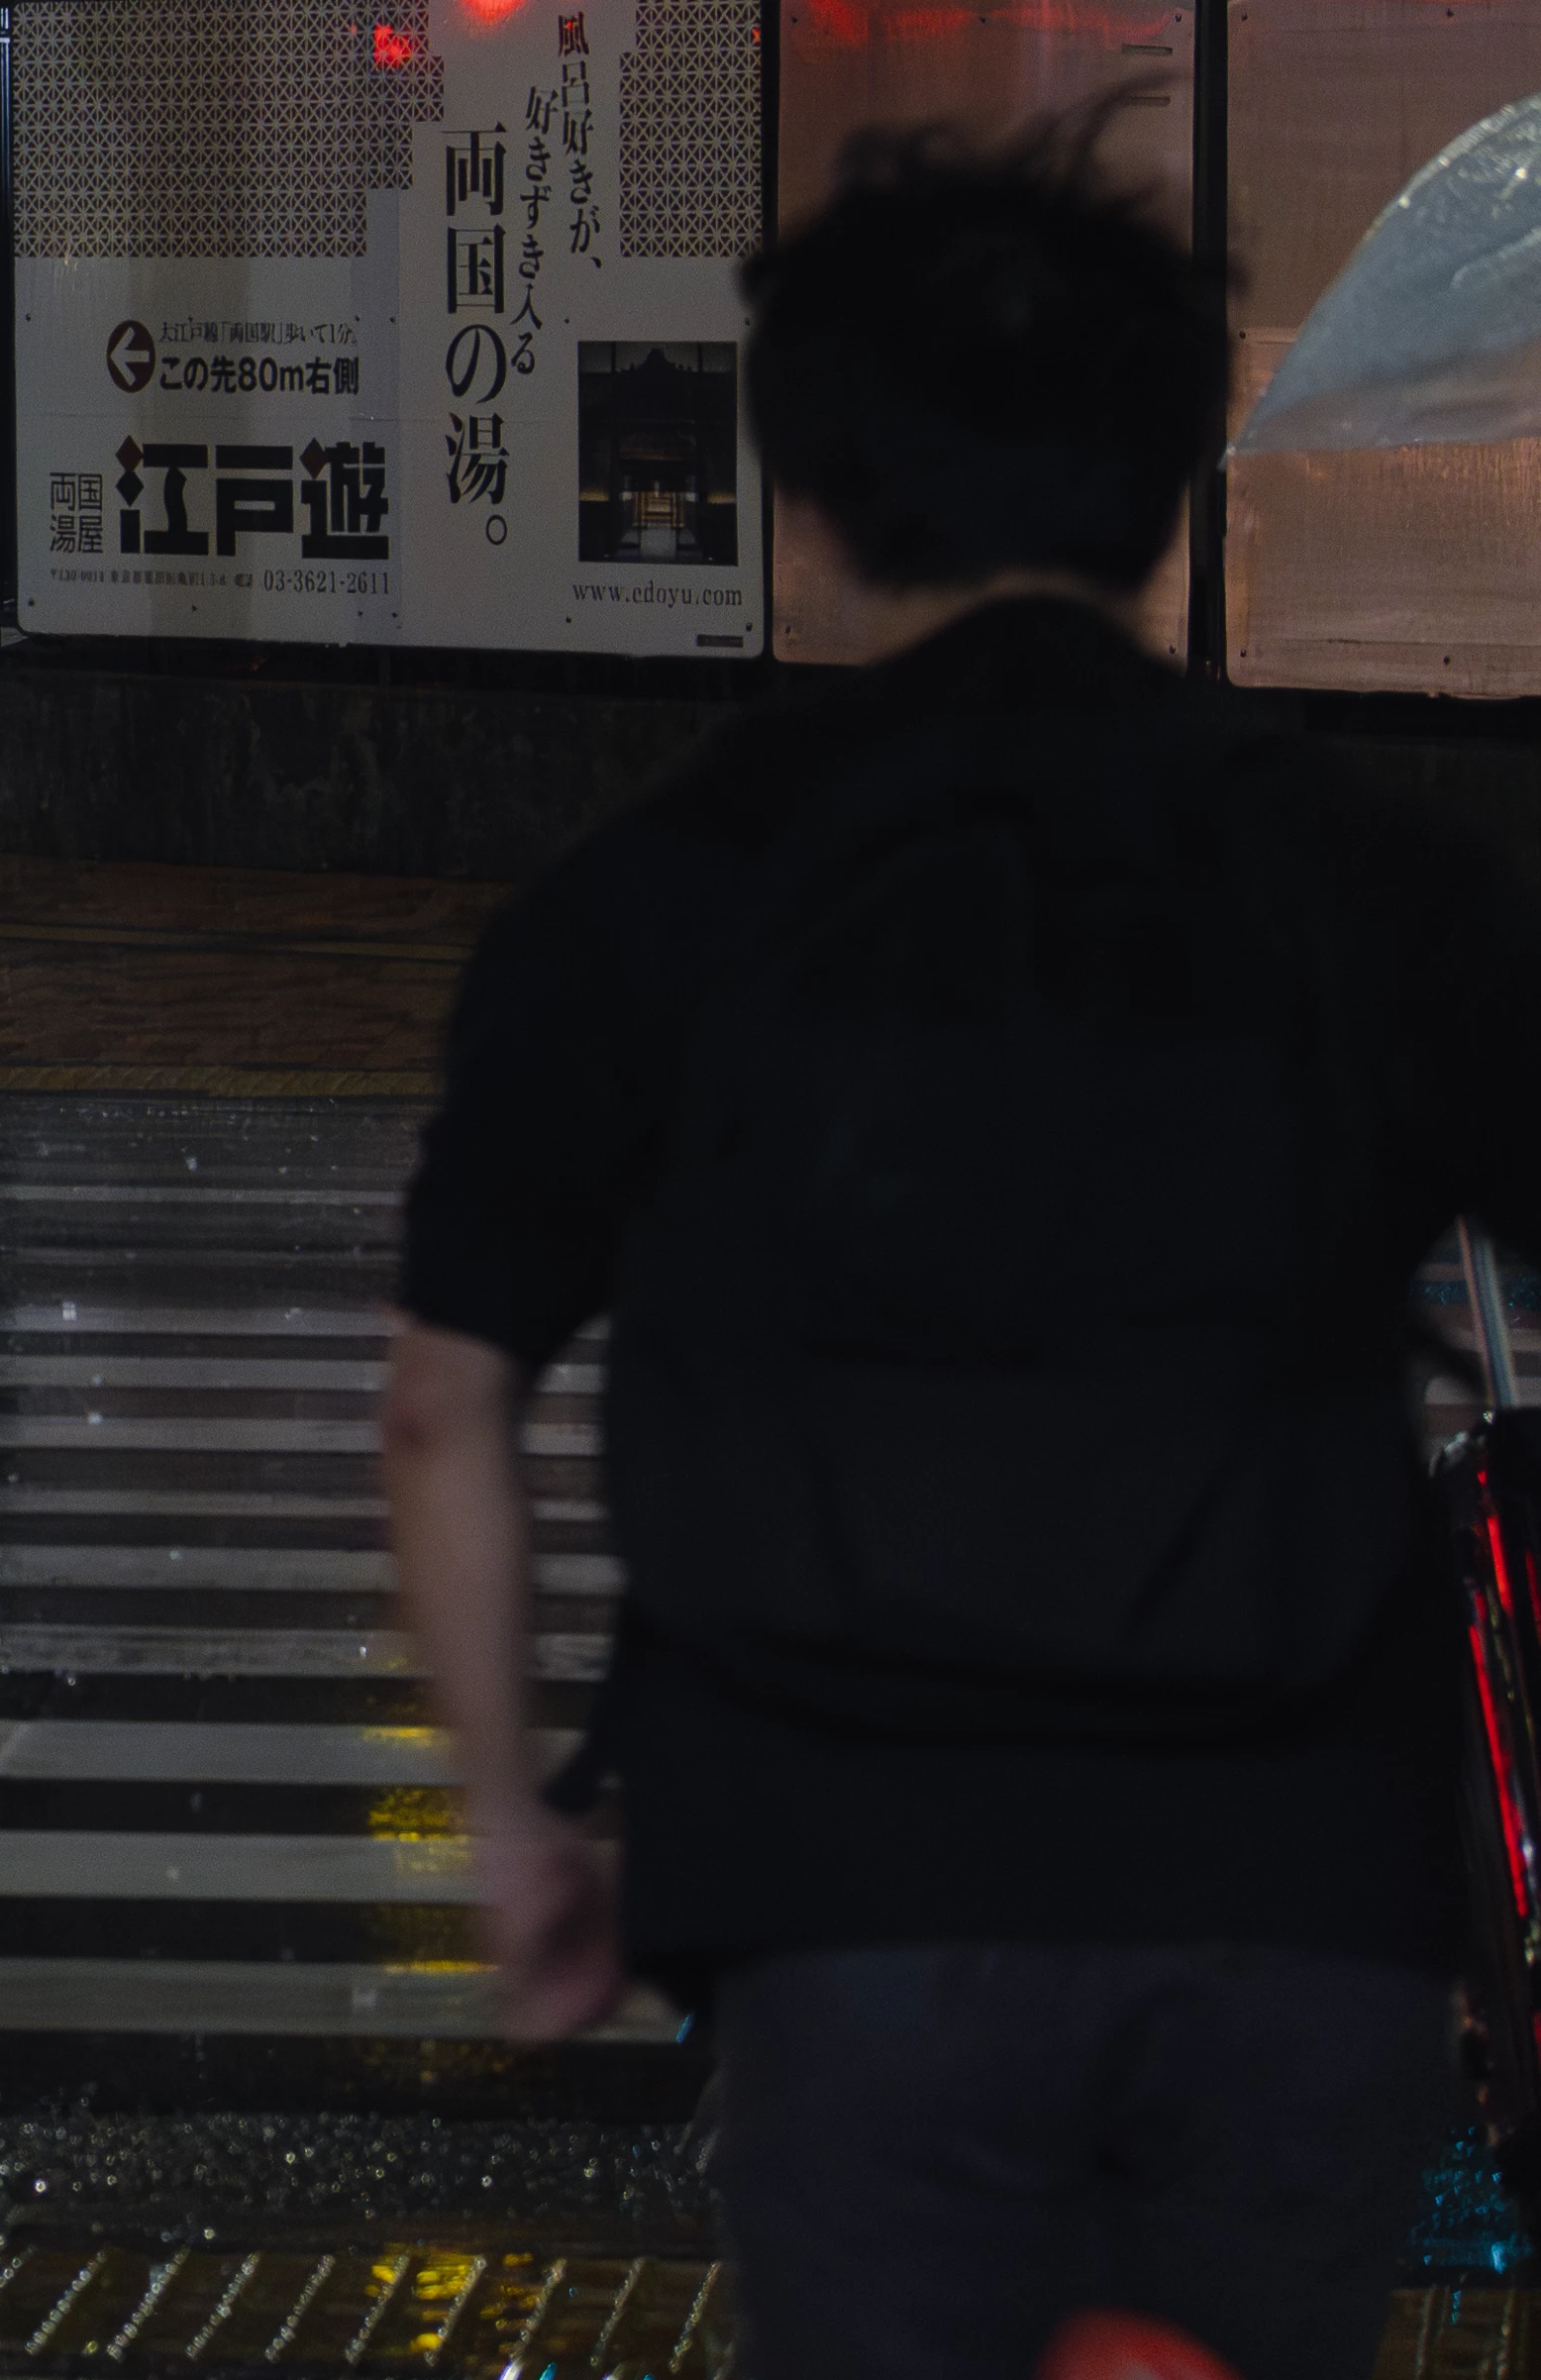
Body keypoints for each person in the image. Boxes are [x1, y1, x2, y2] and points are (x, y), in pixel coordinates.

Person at [381, 138, 1541, 2380]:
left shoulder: (653, 899)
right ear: (1174, 470)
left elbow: (448, 1400)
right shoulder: (1387, 884)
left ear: (802, 492)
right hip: (1304, 1893)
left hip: (853, 1899)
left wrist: (522, 1816)